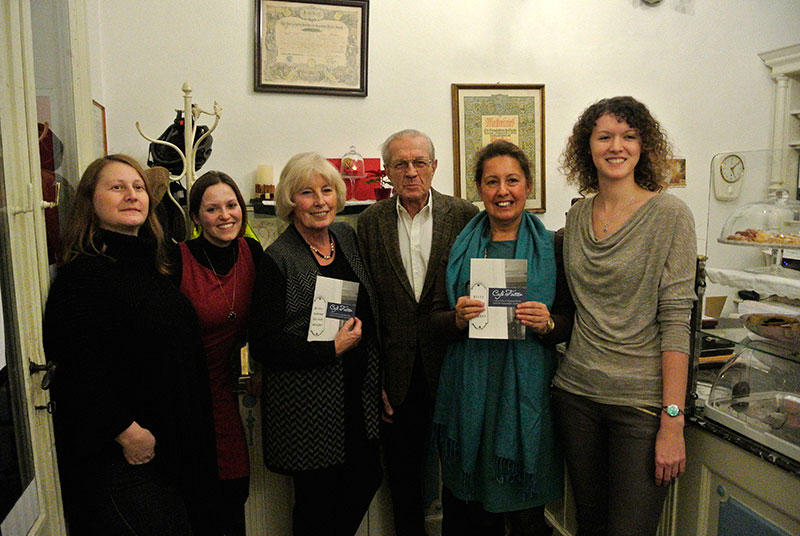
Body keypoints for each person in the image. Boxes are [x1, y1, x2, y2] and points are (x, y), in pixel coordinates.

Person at [43, 154, 217, 536]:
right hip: (126, 460)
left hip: (166, 452)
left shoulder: (151, 266)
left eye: (138, 187)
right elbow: (76, 367)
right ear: (91, 201)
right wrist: (126, 432)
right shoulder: (83, 275)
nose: (132, 195)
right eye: (117, 187)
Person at [553, 96, 697, 536]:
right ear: (588, 147)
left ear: (643, 146)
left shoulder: (670, 214)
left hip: (640, 407)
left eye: (629, 136)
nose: (617, 146)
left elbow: (676, 320)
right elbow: (574, 305)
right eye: (605, 136)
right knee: (590, 526)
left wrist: (672, 421)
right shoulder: (577, 216)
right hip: (576, 395)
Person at [431, 140, 573, 536]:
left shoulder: (553, 246)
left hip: (528, 400)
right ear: (479, 189)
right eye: (491, 182)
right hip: (470, 395)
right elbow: (434, 319)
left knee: (527, 516)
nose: (502, 191)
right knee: (469, 515)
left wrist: (548, 324)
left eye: (512, 180)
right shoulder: (459, 246)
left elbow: (569, 320)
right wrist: (457, 319)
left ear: (528, 186)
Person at [249, 152, 382, 536]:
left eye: (327, 191)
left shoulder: (345, 237)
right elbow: (264, 342)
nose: (320, 201)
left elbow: (368, 309)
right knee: (315, 505)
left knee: (366, 478)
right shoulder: (278, 259)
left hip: (358, 397)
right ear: (291, 201)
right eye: (307, 193)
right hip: (310, 407)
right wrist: (330, 349)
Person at [357, 129, 478, 536]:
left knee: (460, 474)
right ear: (387, 172)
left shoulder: (463, 215)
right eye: (400, 164)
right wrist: (378, 380)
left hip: (453, 364)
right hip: (398, 375)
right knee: (404, 479)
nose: (411, 172)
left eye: (419, 162)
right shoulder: (370, 223)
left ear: (434, 166)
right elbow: (369, 305)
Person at [170, 171, 263, 536]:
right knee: (198, 500)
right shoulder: (175, 259)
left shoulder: (251, 252)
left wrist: (261, 368)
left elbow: (265, 319)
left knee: (233, 489)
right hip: (183, 395)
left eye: (231, 205)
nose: (225, 215)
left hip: (223, 390)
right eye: (212, 209)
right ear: (195, 217)